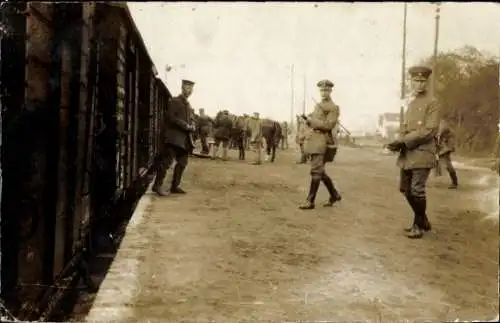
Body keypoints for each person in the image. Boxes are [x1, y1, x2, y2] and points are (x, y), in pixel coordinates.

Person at [386, 65, 439, 239]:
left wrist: (404, 140)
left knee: (417, 190)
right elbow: (405, 126)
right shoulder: (411, 102)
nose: (419, 84)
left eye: (422, 81)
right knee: (405, 189)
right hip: (408, 153)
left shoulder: (432, 102)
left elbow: (429, 130)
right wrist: (397, 140)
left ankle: (418, 225)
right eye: (416, 81)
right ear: (411, 82)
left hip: (423, 152)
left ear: (427, 82)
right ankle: (422, 220)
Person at [299, 79, 342, 210]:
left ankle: (310, 201)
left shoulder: (333, 107)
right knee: (320, 171)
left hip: (322, 141)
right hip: (313, 140)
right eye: (322, 90)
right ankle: (334, 194)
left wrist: (312, 121)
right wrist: (307, 119)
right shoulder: (318, 105)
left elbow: (329, 125)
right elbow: (314, 120)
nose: (324, 92)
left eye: (326, 90)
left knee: (316, 171)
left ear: (330, 91)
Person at [152, 79, 196, 196]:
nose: (189, 90)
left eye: (191, 88)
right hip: (173, 138)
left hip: (184, 140)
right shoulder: (175, 101)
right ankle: (157, 186)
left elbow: (190, 118)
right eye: (187, 87)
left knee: (182, 163)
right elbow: (170, 117)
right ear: (182, 87)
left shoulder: (188, 105)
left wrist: (192, 124)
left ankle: (175, 186)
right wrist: (185, 125)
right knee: (166, 162)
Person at [437, 118, 458, 189]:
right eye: (441, 124)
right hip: (442, 151)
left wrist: (441, 152)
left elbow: (450, 146)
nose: (441, 125)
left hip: (445, 151)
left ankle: (455, 183)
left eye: (443, 124)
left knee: (449, 167)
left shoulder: (449, 134)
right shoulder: (441, 133)